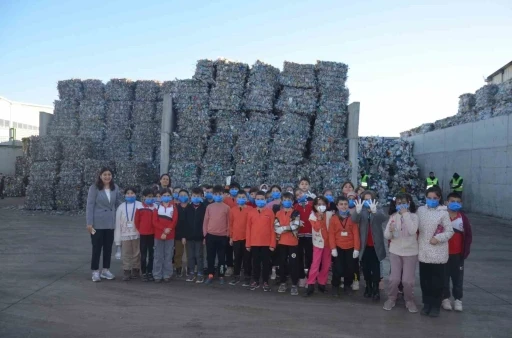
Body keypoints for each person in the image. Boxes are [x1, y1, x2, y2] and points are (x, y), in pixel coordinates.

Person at [417, 187, 454, 317]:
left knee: (437, 282)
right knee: (425, 281)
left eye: (435, 198)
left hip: (438, 252)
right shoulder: (420, 210)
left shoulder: (443, 212)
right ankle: (426, 304)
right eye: (429, 198)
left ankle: (435, 305)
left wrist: (438, 238)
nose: (432, 200)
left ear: (439, 199)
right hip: (423, 251)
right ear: (425, 198)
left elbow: (450, 231)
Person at [383, 193, 419, 313]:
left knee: (407, 280)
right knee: (394, 279)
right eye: (399, 203)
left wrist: (405, 214)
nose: (401, 205)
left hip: (410, 252)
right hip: (395, 251)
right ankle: (391, 298)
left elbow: (412, 230)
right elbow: (386, 235)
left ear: (409, 203)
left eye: (404, 202)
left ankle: (409, 300)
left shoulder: (414, 217)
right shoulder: (393, 216)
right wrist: (391, 231)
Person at [86, 167, 123, 282]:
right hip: (97, 223)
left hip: (110, 223)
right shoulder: (94, 188)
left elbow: (118, 203)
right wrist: (89, 223)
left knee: (108, 248)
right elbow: (90, 206)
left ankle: (105, 270)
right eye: (105, 174)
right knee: (97, 247)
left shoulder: (115, 188)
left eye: (109, 174)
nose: (107, 177)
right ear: (100, 176)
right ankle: (95, 271)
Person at [353, 190, 386, 301]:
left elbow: (383, 218)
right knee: (366, 268)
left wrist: (375, 211)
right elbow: (354, 220)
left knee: (375, 268)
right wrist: (357, 212)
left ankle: (376, 288)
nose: (368, 201)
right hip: (364, 245)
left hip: (375, 245)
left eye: (370, 199)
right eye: (366, 199)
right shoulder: (361, 210)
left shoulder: (378, 209)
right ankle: (368, 286)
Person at [442, 192, 472, 312]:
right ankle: (445, 298)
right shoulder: (442, 216)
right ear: (446, 203)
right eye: (452, 201)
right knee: (444, 277)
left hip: (458, 254)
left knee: (457, 278)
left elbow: (468, 235)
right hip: (443, 254)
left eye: (458, 202)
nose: (455, 203)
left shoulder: (463, 218)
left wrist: (465, 251)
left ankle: (458, 299)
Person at [330, 196, 360, 296]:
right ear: (337, 206)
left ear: (348, 205)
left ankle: (347, 285)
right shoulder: (333, 218)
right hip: (338, 247)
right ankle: (335, 286)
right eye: (341, 204)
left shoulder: (352, 218)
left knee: (350, 268)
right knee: (338, 268)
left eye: (345, 204)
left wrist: (356, 248)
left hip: (350, 247)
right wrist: (333, 248)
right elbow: (331, 234)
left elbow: (356, 233)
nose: (343, 206)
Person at [246, 191, 276, 291]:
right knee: (255, 263)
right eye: (258, 199)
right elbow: (248, 229)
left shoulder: (270, 212)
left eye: (262, 199)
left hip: (266, 243)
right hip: (254, 243)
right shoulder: (251, 212)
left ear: (265, 200)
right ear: (255, 200)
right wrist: (248, 244)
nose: (260, 201)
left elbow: (272, 229)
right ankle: (255, 280)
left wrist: (272, 244)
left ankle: (265, 281)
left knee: (266, 263)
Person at [203, 185, 230, 285]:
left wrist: (227, 234)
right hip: (210, 236)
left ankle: (221, 275)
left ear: (223, 195)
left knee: (222, 257)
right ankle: (210, 274)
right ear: (213, 195)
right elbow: (205, 221)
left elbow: (228, 222)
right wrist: (205, 234)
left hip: (222, 236)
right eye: (216, 194)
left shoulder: (227, 208)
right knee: (210, 257)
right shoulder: (209, 207)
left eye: (220, 194)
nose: (218, 196)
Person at [306, 196, 333, 296]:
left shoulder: (330, 214)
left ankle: (322, 283)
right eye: (319, 204)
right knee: (315, 264)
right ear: (315, 206)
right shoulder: (312, 215)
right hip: (318, 243)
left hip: (328, 243)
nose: (321, 206)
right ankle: (310, 284)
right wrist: (320, 218)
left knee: (326, 264)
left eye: (323, 204)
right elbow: (316, 228)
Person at [275, 192, 301, 295]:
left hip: (293, 243)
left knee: (293, 264)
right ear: (281, 201)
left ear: (292, 201)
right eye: (285, 200)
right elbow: (276, 227)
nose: (287, 202)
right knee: (282, 263)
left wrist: (283, 228)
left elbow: (295, 226)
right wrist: (286, 228)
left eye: (289, 200)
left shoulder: (296, 212)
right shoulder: (278, 213)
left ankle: (294, 284)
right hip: (281, 242)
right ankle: (283, 282)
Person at [114, 187, 142, 281]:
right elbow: (118, 223)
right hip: (124, 234)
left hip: (137, 233)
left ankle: (136, 269)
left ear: (136, 194)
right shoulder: (121, 207)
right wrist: (117, 240)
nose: (130, 195)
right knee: (126, 253)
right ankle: (126, 270)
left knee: (137, 252)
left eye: (132, 193)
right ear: (125, 195)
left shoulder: (140, 205)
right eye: (128, 193)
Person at [152, 188, 178, 283]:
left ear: (170, 196)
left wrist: (167, 231)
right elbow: (155, 222)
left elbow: (174, 221)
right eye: (164, 195)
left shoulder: (174, 207)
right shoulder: (157, 208)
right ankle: (157, 275)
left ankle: (167, 274)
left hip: (170, 235)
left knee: (168, 255)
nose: (166, 197)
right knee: (158, 256)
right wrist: (163, 230)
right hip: (158, 235)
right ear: (161, 197)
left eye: (168, 195)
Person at [183, 187, 207, 283]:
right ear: (191, 197)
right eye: (194, 196)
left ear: (202, 197)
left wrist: (205, 236)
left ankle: (200, 273)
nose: (196, 197)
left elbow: (206, 223)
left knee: (199, 255)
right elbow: (184, 223)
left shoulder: (204, 208)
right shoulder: (188, 208)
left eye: (198, 196)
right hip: (189, 237)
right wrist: (184, 236)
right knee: (190, 256)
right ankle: (191, 272)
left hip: (199, 237)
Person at [228, 191, 252, 286]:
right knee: (237, 258)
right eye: (239, 197)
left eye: (243, 197)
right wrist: (231, 237)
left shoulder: (251, 209)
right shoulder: (232, 210)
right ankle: (236, 276)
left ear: (246, 199)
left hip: (247, 238)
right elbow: (231, 224)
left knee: (247, 259)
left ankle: (247, 277)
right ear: (236, 199)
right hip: (236, 238)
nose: (241, 199)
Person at [135, 188, 157, 282]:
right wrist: (140, 229)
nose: (150, 198)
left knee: (152, 254)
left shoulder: (155, 207)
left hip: (153, 234)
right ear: (144, 197)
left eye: (152, 197)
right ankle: (143, 272)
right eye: (148, 197)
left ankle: (150, 271)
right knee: (143, 254)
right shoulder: (139, 207)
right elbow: (136, 221)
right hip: (143, 234)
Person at [294, 188, 314, 288]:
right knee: (299, 257)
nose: (300, 196)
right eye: (297, 195)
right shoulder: (295, 206)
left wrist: (316, 199)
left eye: (301, 193)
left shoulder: (312, 204)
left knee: (310, 257)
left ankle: (310, 278)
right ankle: (301, 277)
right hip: (299, 235)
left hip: (310, 235)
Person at [347, 191, 361, 291]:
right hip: (346, 239)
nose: (351, 200)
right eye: (349, 198)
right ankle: (347, 280)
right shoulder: (343, 208)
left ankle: (355, 280)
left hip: (356, 237)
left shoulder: (358, 209)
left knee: (355, 262)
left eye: (353, 198)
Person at [174, 189, 190, 277]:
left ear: (188, 196)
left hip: (189, 234)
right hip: (178, 234)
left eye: (185, 195)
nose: (183, 197)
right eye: (181, 195)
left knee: (189, 253)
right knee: (178, 253)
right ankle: (178, 268)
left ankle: (189, 268)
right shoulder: (176, 208)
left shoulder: (191, 207)